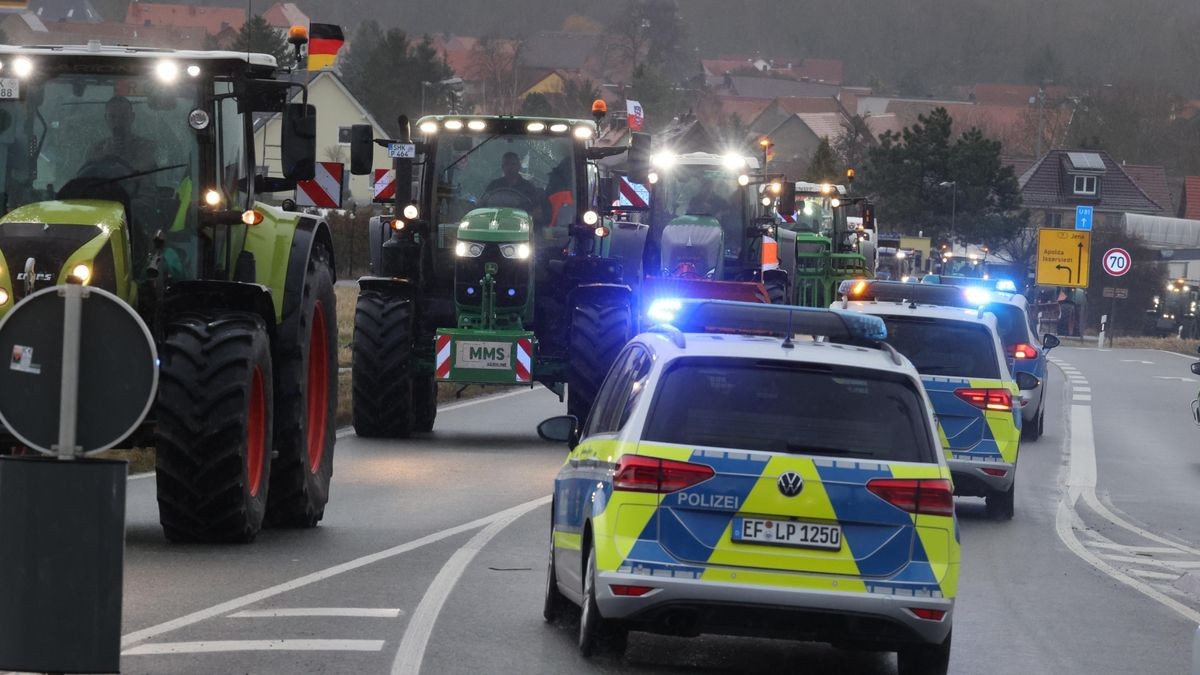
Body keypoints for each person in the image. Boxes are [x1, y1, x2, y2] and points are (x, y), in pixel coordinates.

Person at [85, 96, 157, 172]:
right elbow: (87, 177)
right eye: (112, 117)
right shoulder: (95, 150)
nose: (118, 121)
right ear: (106, 118)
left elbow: (144, 178)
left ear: (132, 117)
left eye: (124, 116)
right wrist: (104, 156)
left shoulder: (146, 147)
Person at [485, 151, 544, 221]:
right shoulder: (494, 185)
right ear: (502, 167)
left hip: (522, 226)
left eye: (513, 164)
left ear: (519, 167)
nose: (510, 167)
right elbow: (482, 204)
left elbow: (538, 212)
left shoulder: (529, 187)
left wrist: (527, 217)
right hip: (495, 224)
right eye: (506, 164)